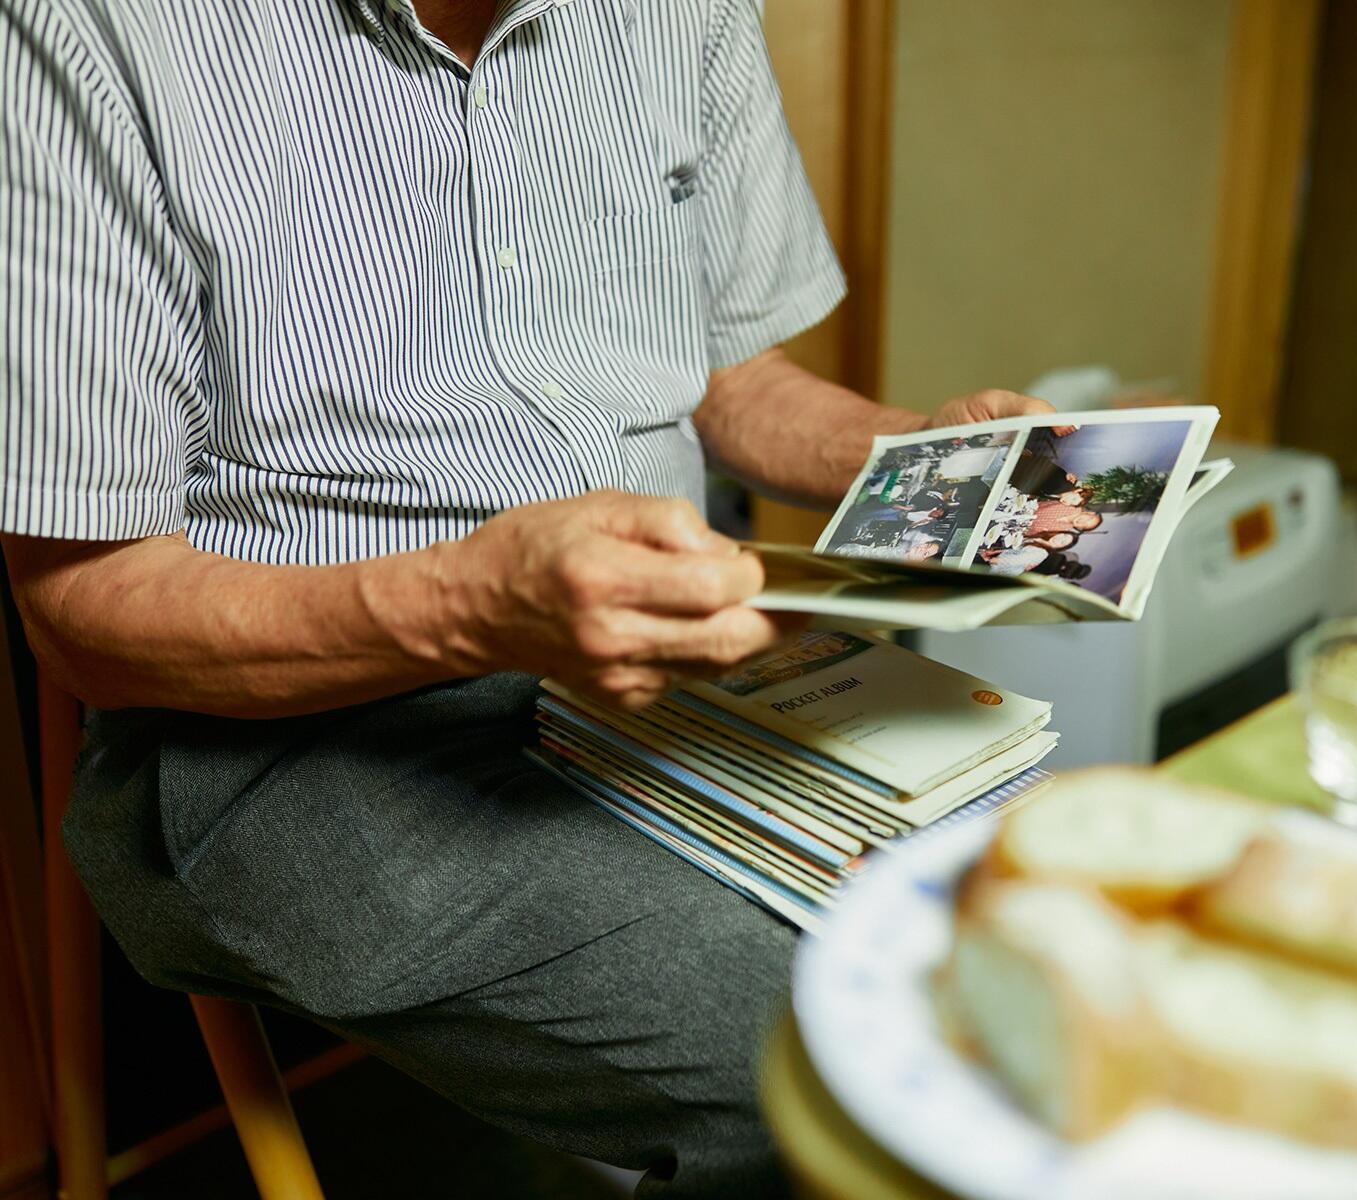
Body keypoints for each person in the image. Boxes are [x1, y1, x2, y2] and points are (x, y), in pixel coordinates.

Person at [0, 3, 1053, 1195]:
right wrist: (470, 607)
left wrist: (917, 454)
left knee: (1067, 936)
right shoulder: (90, 29)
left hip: (667, 664)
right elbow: (86, 607)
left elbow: (725, 375)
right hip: (286, 735)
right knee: (848, 1072)